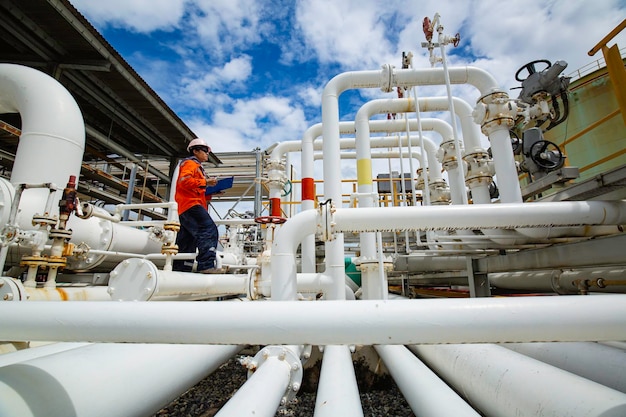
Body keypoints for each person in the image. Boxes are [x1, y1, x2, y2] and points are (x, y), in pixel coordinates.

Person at [173, 138, 225, 274]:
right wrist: (206, 181)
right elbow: (184, 182)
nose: (207, 154)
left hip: (186, 205)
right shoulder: (190, 163)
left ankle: (181, 269)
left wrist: (212, 190)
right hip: (191, 204)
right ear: (195, 151)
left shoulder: (197, 168)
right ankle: (206, 265)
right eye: (205, 151)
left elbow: (196, 188)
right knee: (208, 230)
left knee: (187, 239)